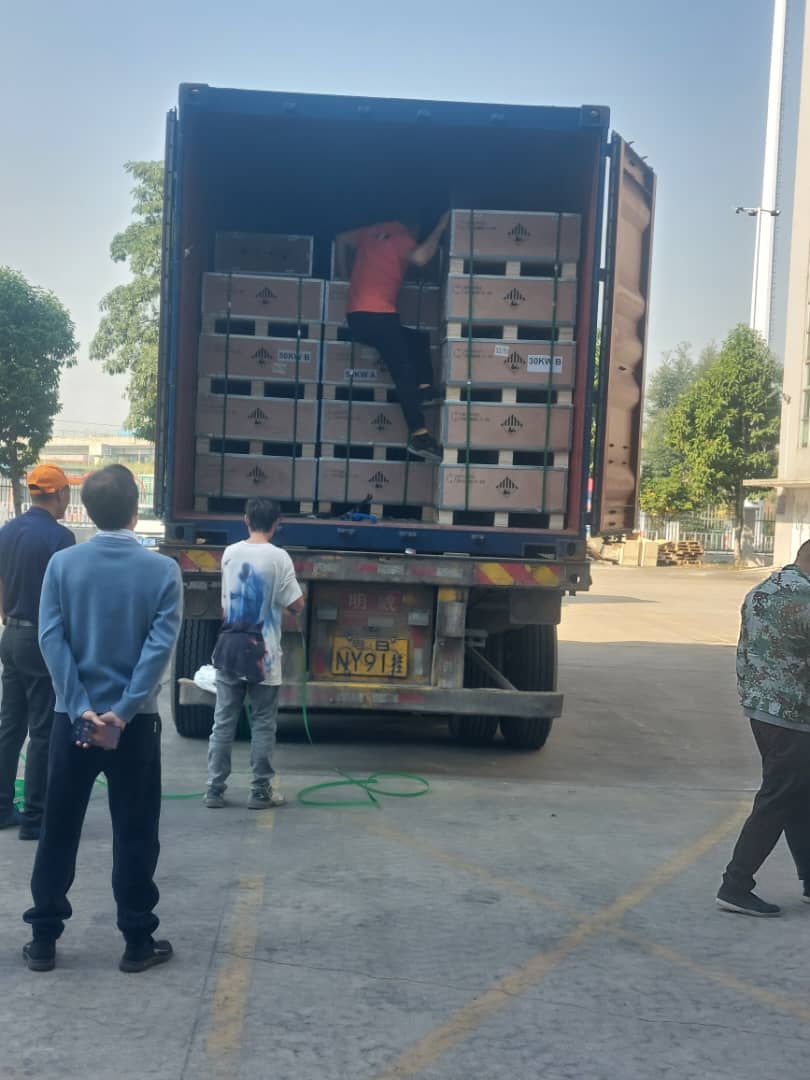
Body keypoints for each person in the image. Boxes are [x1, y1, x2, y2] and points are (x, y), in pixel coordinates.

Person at [22, 465, 182, 973]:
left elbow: (51, 638)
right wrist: (125, 709)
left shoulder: (63, 565)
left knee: (59, 828)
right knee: (135, 831)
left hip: (74, 721)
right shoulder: (163, 571)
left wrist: (79, 705)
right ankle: (137, 941)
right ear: (137, 508)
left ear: (85, 510)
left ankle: (44, 939)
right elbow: (159, 648)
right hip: (134, 727)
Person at [717, 540, 810, 917]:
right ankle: (735, 885)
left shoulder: (763, 589)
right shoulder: (806, 597)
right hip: (794, 713)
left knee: (799, 796)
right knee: (779, 797)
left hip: (762, 708)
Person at [205, 497, 304, 810]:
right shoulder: (279, 558)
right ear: (276, 524)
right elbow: (296, 604)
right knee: (263, 722)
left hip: (230, 647)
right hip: (264, 654)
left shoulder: (230, 553)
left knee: (223, 721)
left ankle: (214, 790)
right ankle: (260, 792)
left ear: (246, 520)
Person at [335, 213, 450, 464]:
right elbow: (421, 257)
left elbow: (340, 239)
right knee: (403, 371)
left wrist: (345, 277)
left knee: (416, 341)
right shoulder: (401, 237)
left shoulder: (369, 232)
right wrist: (441, 227)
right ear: (412, 225)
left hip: (357, 317)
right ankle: (419, 435)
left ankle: (425, 391)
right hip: (380, 315)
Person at [0, 464, 74, 841]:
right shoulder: (61, 538)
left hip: (11, 635)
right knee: (43, 730)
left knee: (10, 725)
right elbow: (68, 595)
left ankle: (2, 809)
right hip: (41, 640)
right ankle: (35, 818)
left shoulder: (8, 531)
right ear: (60, 493)